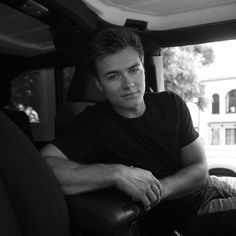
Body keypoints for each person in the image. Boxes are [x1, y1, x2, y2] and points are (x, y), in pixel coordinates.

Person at [41, 27, 236, 235]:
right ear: (99, 83)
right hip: (191, 215)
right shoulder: (91, 123)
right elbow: (44, 166)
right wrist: (117, 174)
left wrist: (157, 190)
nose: (129, 84)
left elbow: (199, 169)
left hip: (213, 185)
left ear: (143, 68)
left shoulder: (171, 103)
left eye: (134, 70)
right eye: (114, 76)